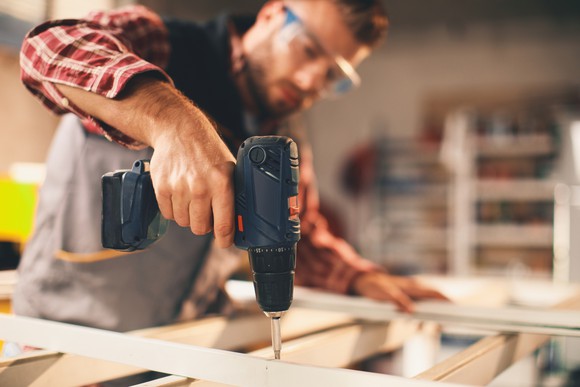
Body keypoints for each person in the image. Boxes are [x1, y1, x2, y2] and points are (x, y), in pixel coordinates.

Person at [14, 0, 447, 333]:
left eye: (334, 75)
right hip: (66, 334)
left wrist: (358, 279)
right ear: (273, 14)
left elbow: (298, 232)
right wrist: (170, 121)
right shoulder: (164, 43)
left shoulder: (285, 131)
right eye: (308, 50)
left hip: (179, 343)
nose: (310, 81)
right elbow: (47, 46)